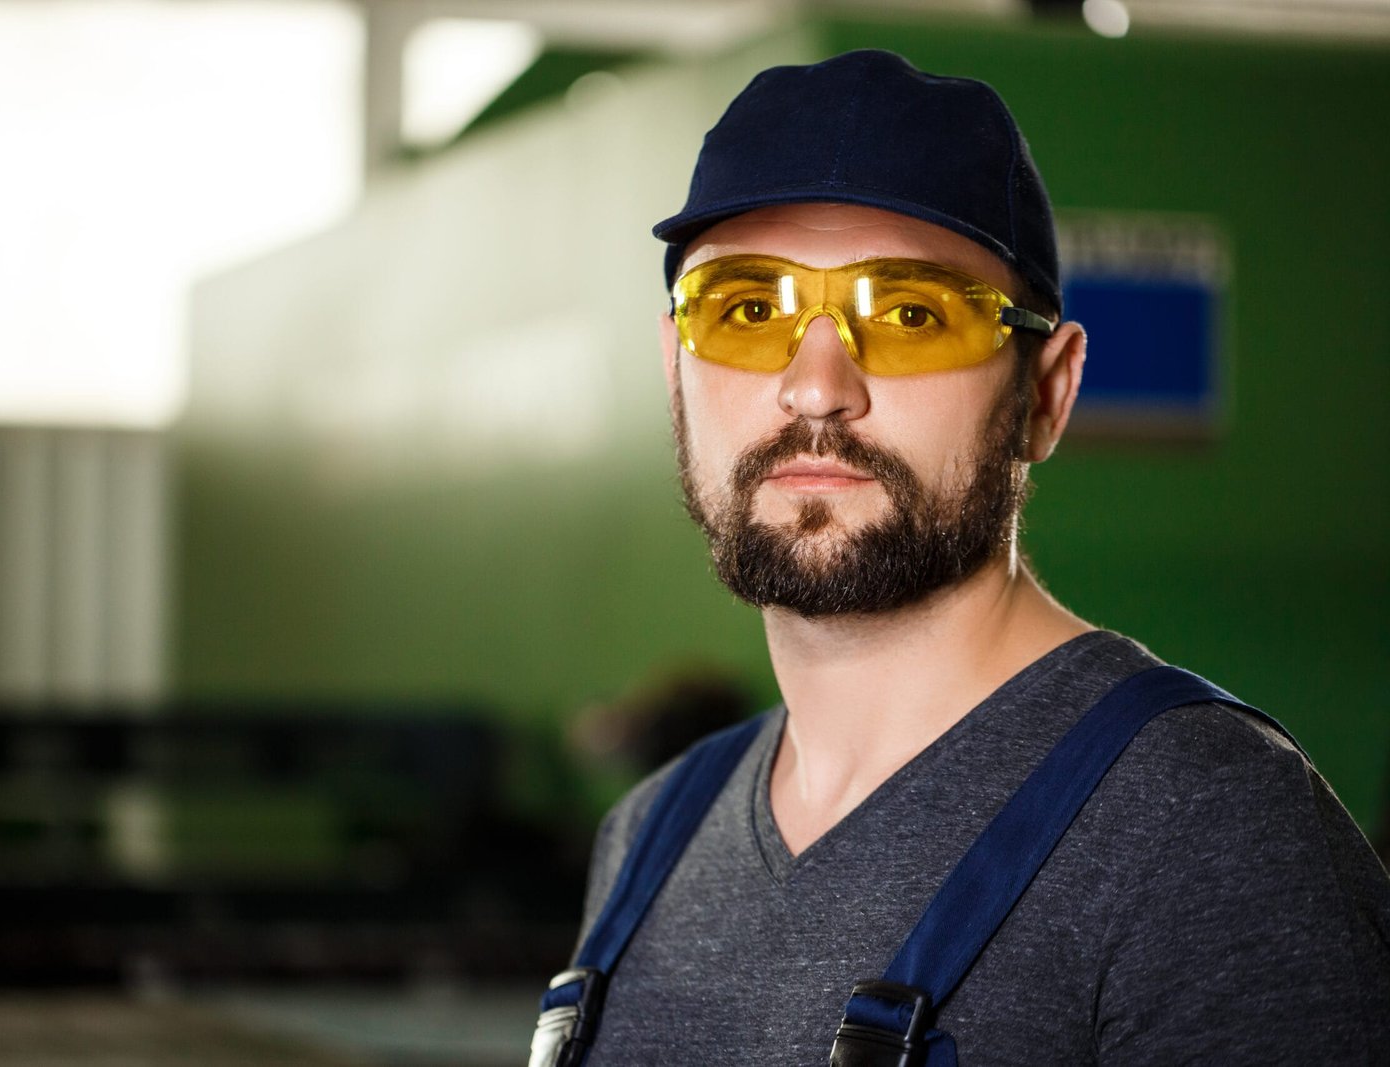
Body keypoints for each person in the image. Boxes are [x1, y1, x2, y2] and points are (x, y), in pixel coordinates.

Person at [539, 50, 1390, 1064]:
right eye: (747, 310)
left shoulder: (1208, 833)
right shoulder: (647, 838)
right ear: (677, 374)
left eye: (909, 315)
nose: (815, 387)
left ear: (1045, 392)